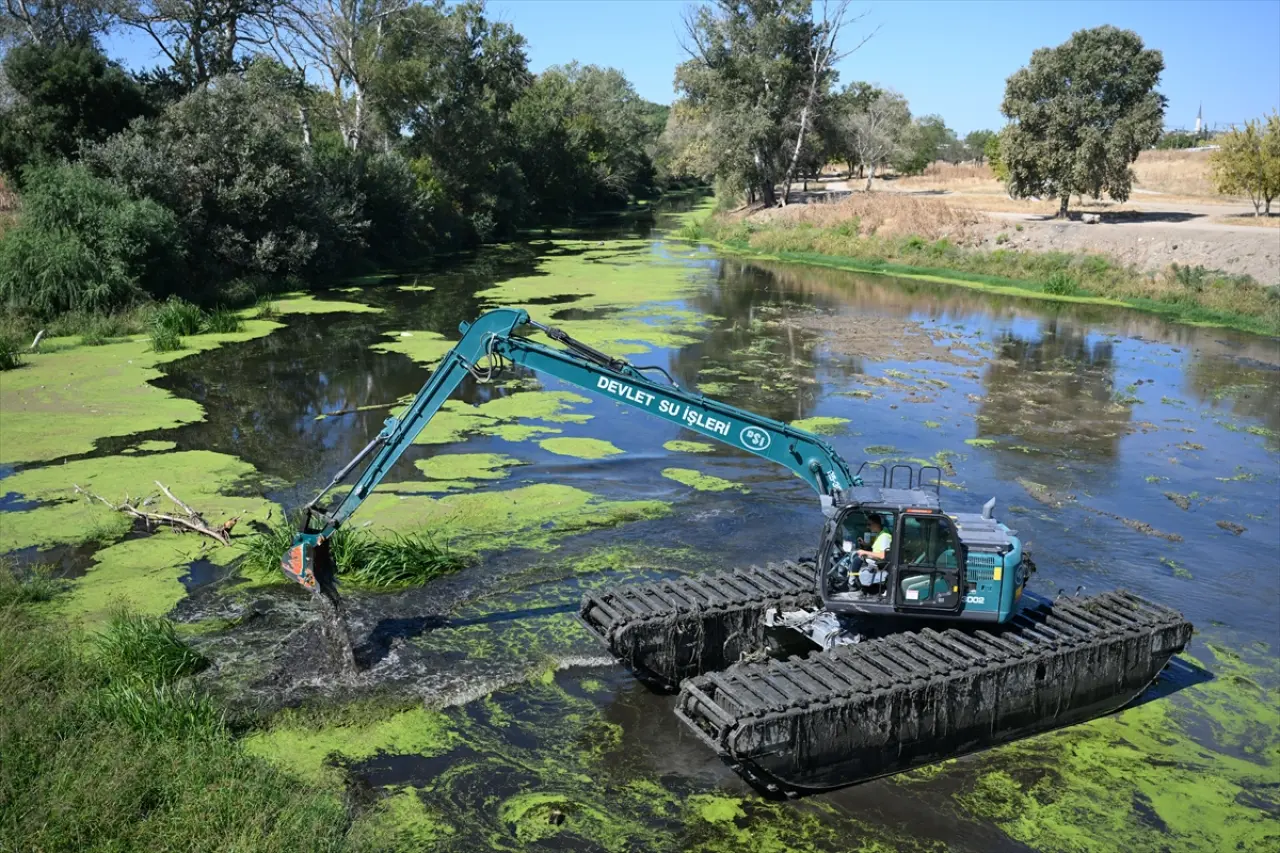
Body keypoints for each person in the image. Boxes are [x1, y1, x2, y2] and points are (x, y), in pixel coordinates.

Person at [853, 513, 892, 590]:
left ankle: (853, 584)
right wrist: (865, 544)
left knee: (856, 559)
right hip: (875, 560)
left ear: (876, 524)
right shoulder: (881, 533)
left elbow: (882, 555)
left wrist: (865, 552)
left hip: (879, 563)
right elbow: (877, 547)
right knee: (855, 555)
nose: (868, 527)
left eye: (869, 524)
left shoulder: (885, 536)